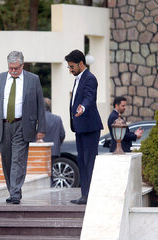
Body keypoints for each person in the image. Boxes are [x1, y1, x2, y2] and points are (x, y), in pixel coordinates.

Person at [0, 50, 46, 205]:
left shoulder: (33, 80)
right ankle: (13, 190)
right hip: (1, 125)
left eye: (17, 68)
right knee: (7, 160)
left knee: (18, 159)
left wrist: (41, 127)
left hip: (22, 125)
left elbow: (40, 104)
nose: (14, 71)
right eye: (11, 68)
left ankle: (15, 193)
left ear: (22, 65)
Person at [65, 49, 103, 205]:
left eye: (72, 66)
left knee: (89, 162)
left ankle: (90, 196)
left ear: (81, 63)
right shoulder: (78, 78)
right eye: (69, 67)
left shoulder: (90, 78)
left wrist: (83, 108)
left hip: (89, 127)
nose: (70, 70)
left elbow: (89, 97)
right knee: (82, 161)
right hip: (80, 127)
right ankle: (85, 195)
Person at [42, 98, 65, 186]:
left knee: (41, 171)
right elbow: (62, 134)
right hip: (53, 150)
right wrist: (57, 144)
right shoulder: (57, 119)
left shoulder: (36, 119)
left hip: (38, 150)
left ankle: (49, 185)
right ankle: (51, 184)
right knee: (50, 169)